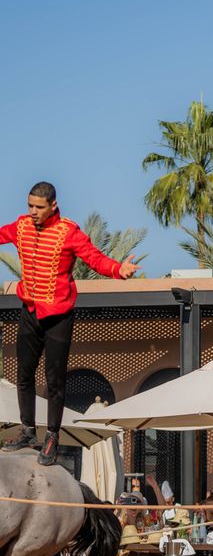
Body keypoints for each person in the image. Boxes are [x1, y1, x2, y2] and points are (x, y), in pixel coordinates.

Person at [0, 182, 139, 466]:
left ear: (53, 205)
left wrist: (118, 270)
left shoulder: (68, 232)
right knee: (23, 374)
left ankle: (51, 435)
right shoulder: (21, 226)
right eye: (30, 206)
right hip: (30, 310)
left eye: (39, 207)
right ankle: (27, 430)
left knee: (55, 380)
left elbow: (94, 258)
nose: (34, 212)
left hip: (59, 316)